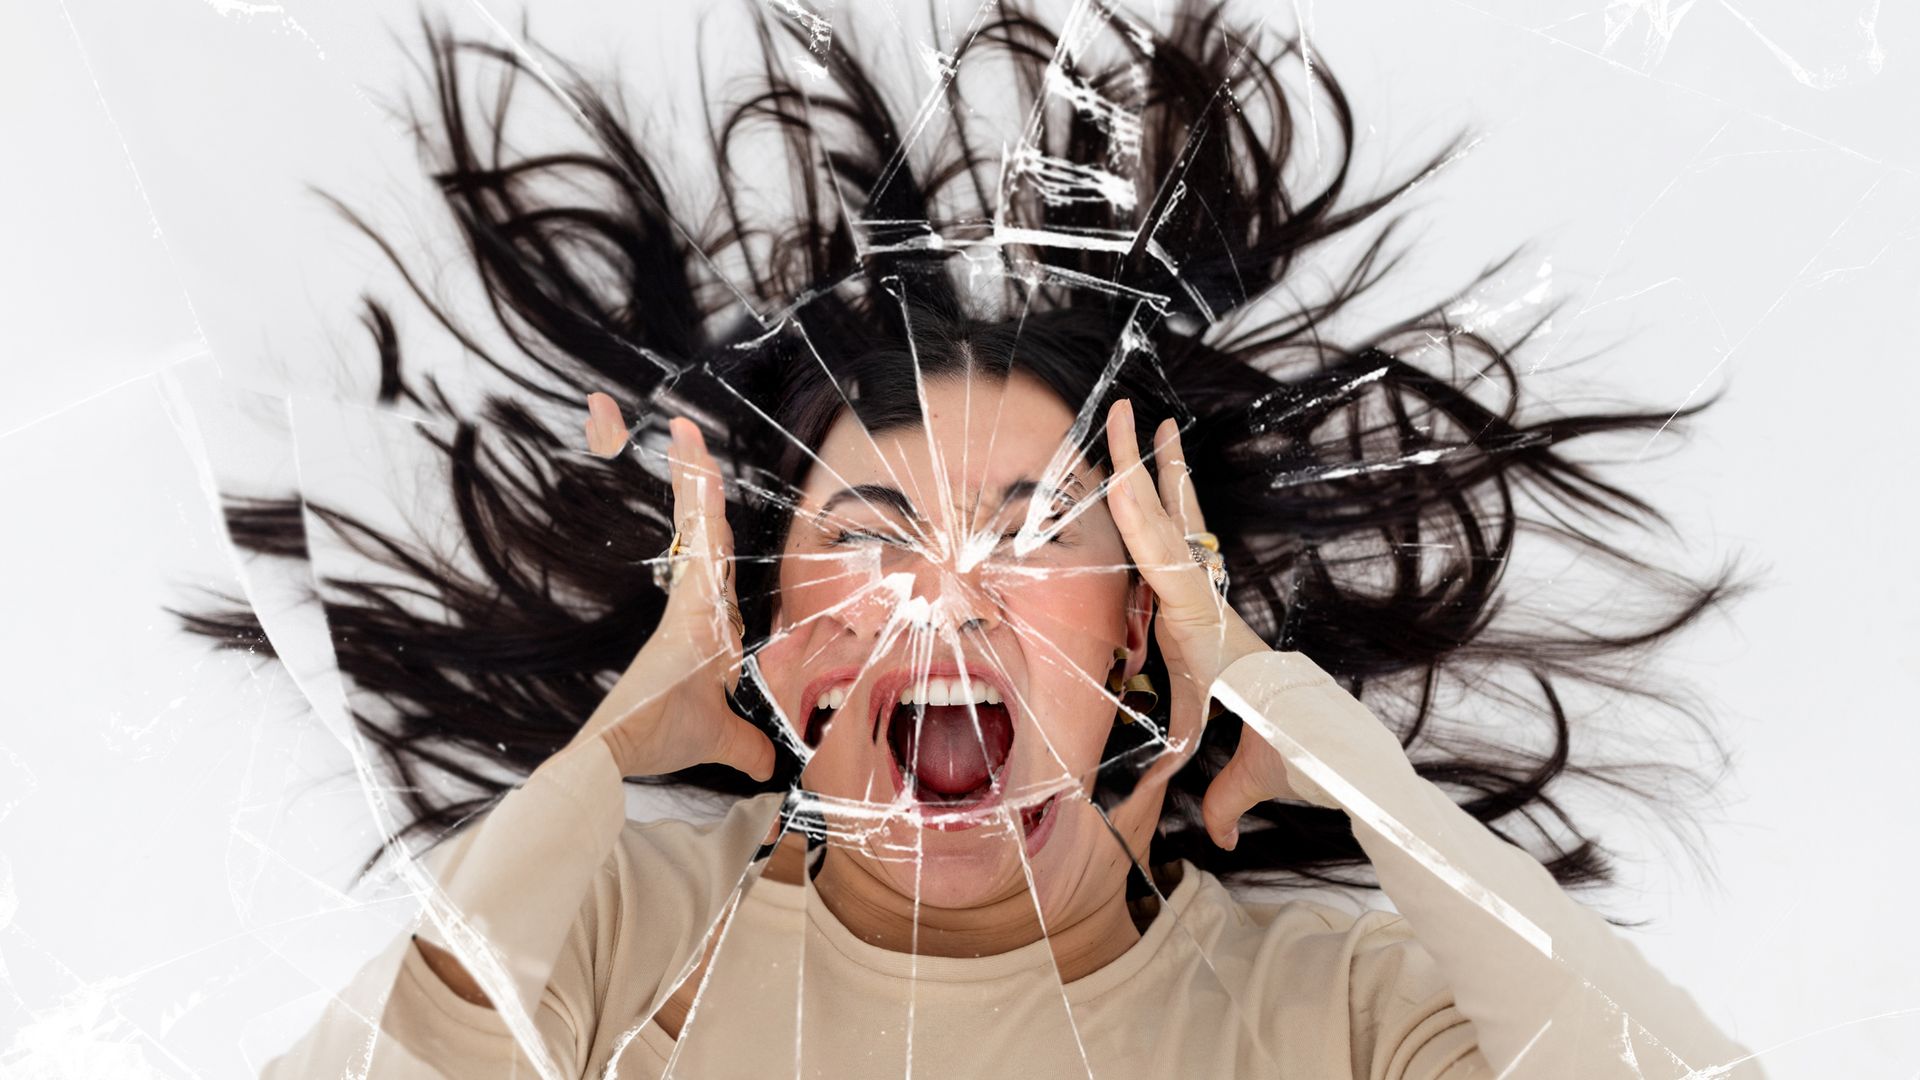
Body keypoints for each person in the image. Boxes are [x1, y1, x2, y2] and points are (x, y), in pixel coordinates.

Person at [177, 1, 1766, 1076]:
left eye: (1025, 540)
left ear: (1140, 628)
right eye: (875, 540)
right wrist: (610, 749)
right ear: (777, 646)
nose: (946, 591)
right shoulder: (617, 932)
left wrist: (1341, 758)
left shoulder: (1317, 1017)